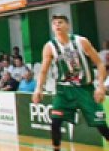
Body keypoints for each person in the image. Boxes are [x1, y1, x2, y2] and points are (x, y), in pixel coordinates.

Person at [32, 14, 109, 150]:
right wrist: (38, 88)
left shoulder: (81, 41)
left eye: (60, 22)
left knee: (101, 126)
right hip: (64, 90)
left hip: (85, 88)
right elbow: (43, 71)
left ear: (68, 26)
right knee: (55, 122)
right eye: (54, 23)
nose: (57, 25)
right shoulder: (50, 47)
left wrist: (101, 86)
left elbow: (100, 63)